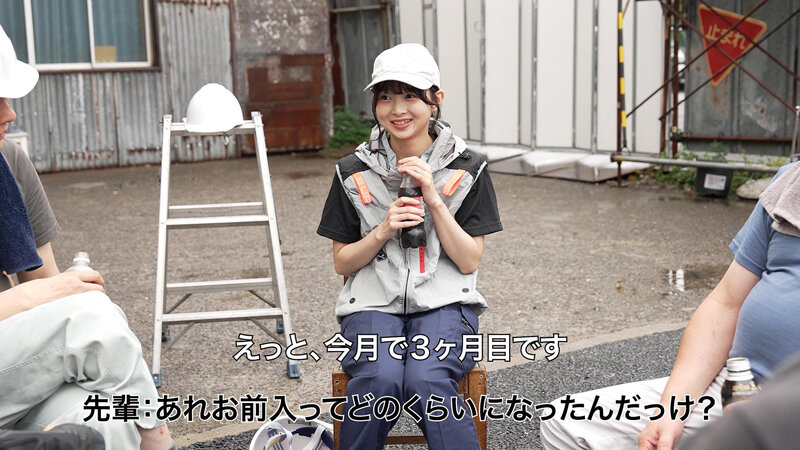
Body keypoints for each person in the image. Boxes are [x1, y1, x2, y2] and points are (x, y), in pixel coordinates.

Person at [539, 159, 800, 450]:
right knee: (564, 422)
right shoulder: (791, 182)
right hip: (739, 387)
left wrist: (762, 420)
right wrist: (671, 410)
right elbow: (726, 303)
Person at [317, 43, 502, 449]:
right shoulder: (352, 171)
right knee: (379, 378)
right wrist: (383, 229)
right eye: (385, 97)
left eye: (410, 96)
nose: (397, 110)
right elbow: (342, 263)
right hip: (371, 305)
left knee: (426, 378)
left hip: (446, 304)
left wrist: (433, 198)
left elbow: (469, 260)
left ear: (436, 100)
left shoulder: (469, 168)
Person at [0, 25, 174, 450]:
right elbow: (55, 305)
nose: (10, 113)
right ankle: (163, 443)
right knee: (89, 318)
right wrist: (37, 298)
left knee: (110, 416)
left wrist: (58, 293)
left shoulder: (7, 160)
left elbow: (48, 288)